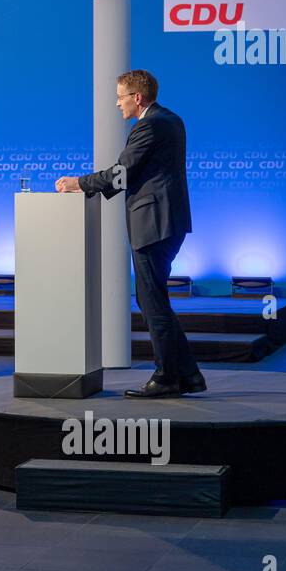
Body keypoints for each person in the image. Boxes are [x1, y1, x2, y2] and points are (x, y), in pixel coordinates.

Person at [55, 69, 203, 399]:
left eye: (120, 97)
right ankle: (188, 375)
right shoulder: (170, 119)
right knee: (154, 298)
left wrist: (80, 183)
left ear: (137, 98)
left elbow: (122, 173)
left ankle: (166, 377)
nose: (117, 103)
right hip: (166, 222)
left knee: (151, 301)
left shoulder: (150, 125)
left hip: (154, 223)